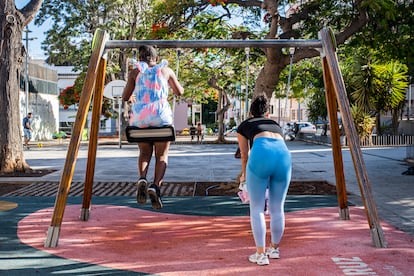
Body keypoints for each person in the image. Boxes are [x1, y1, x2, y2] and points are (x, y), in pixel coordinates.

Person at [122, 45, 184, 209]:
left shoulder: (135, 72)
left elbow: (125, 96)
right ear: (156, 59)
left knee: (144, 152)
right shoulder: (166, 70)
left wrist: (135, 94)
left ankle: (142, 177)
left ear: (140, 58)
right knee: (162, 155)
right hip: (161, 118)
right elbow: (179, 92)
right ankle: (155, 185)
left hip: (140, 119)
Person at [237, 94, 292, 266]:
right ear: (267, 113)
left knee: (257, 208)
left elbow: (245, 156)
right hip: (283, 157)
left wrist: (243, 176)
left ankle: (260, 254)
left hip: (261, 155)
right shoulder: (276, 125)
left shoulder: (245, 125)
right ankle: (274, 249)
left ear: (251, 113)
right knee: (277, 208)